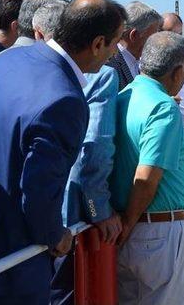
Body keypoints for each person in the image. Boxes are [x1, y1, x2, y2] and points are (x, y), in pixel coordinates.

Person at [0, 0, 126, 305]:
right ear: (97, 44)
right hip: (14, 259)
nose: (115, 52)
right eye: (114, 42)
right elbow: (37, 192)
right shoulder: (64, 100)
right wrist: (55, 234)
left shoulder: (10, 58)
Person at [110, 31, 184, 305]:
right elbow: (146, 177)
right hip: (158, 232)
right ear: (178, 71)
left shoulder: (124, 96)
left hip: (135, 228)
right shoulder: (163, 108)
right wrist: (130, 223)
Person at [50, 65, 123, 302]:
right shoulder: (100, 75)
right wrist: (98, 210)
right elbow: (94, 148)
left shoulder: (6, 62)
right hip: (66, 217)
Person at [106, 1, 161, 91]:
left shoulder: (143, 65)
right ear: (134, 35)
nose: (155, 43)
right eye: (152, 37)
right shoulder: (110, 67)